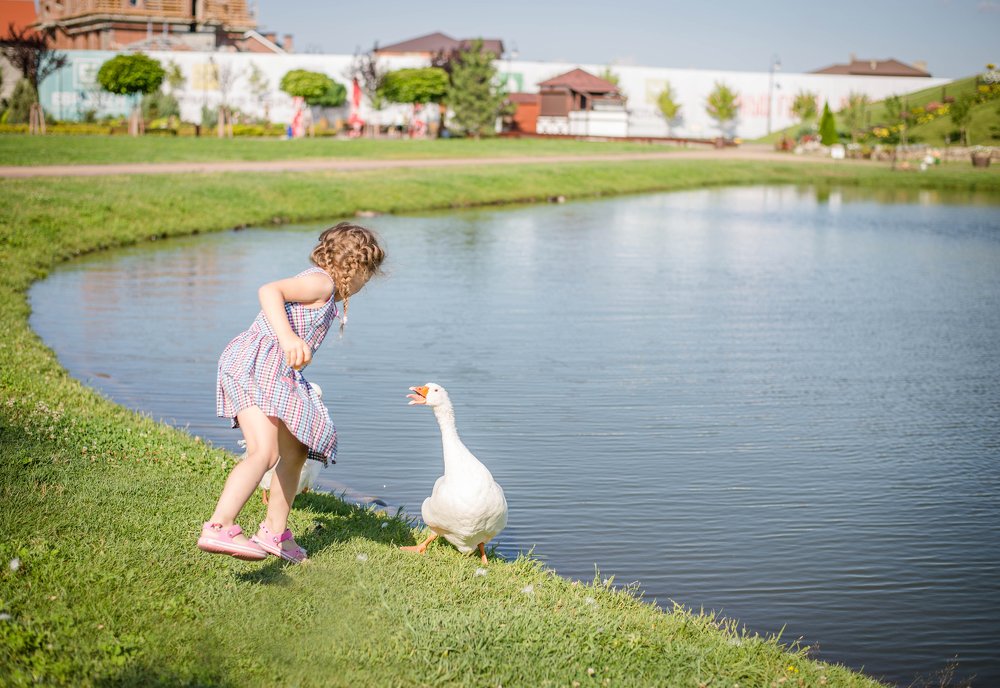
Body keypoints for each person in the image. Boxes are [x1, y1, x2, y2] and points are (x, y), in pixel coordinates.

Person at [197, 222, 385, 563]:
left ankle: (274, 533)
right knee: (264, 453)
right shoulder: (322, 282)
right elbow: (269, 290)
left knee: (296, 449)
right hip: (256, 365)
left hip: (269, 369)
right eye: (366, 277)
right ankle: (219, 526)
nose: (363, 286)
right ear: (354, 268)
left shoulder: (324, 288)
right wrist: (288, 338)